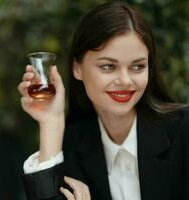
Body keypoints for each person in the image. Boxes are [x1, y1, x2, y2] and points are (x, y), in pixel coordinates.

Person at [17, 1, 189, 200]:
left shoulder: (183, 133)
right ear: (77, 68)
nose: (125, 81)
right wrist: (51, 122)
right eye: (108, 66)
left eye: (137, 66)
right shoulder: (70, 149)